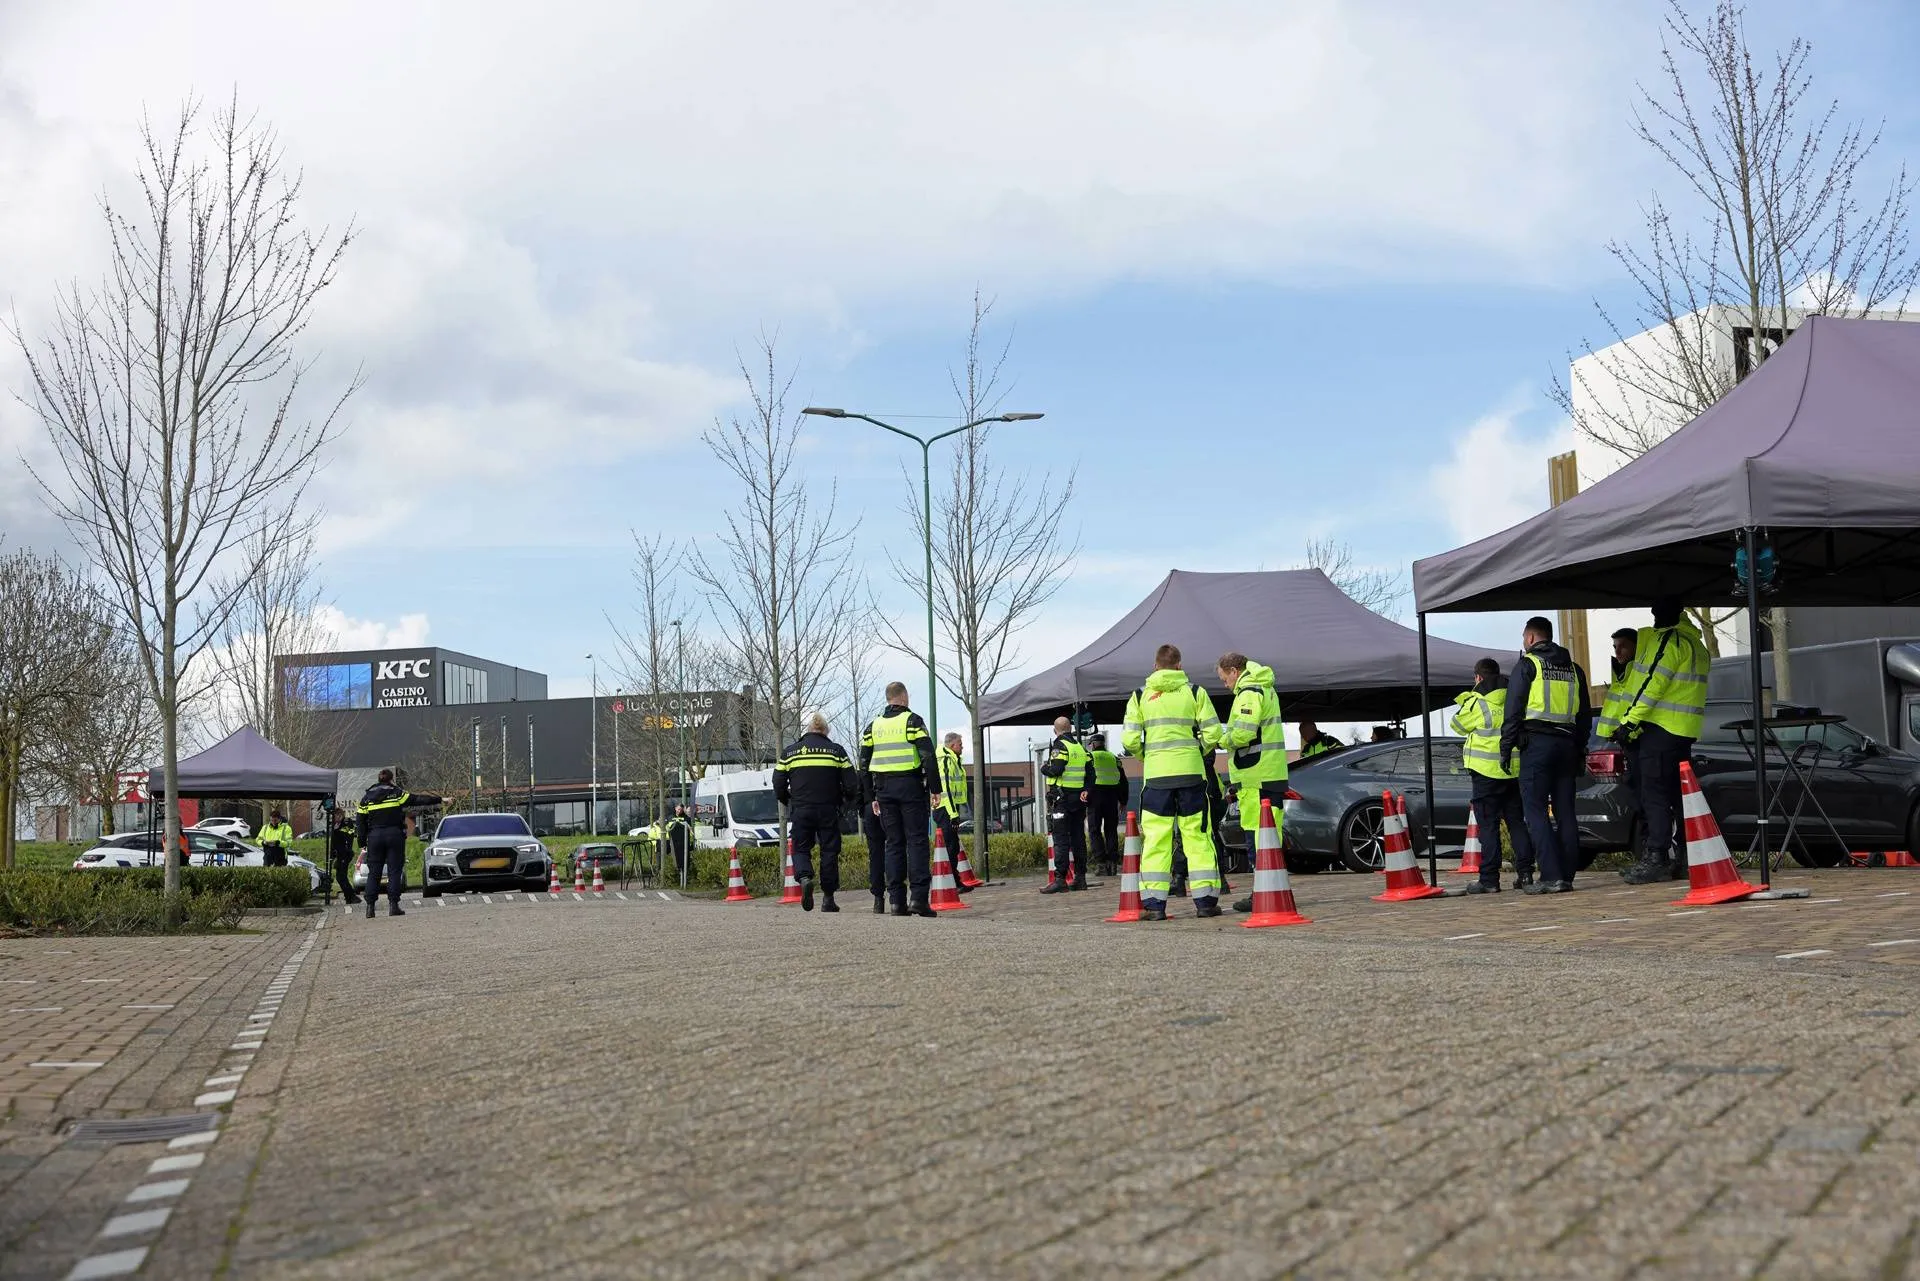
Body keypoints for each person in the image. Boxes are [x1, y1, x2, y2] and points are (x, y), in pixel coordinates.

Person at [1604, 599, 1711, 885]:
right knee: (1679, 798)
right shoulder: (1696, 644)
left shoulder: (1669, 639)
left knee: (1655, 796)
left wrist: (1630, 722)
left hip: (1661, 728)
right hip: (1684, 730)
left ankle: (1658, 858)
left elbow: (1652, 684)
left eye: (1656, 612)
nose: (1653, 618)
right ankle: (1688, 859)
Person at [1122, 644, 1222, 920]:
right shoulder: (1195, 692)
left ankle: (1155, 906)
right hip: (1191, 775)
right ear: (1179, 665)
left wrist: (1148, 755)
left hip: (1156, 778)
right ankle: (1205, 903)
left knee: (1156, 839)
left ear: (1155, 666)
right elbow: (1213, 732)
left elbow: (1129, 740)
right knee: (1197, 837)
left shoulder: (1139, 696)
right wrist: (1196, 750)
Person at [1500, 617, 1593, 895]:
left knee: (1536, 812)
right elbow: (1584, 715)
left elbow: (1513, 710)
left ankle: (1551, 876)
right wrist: (1579, 747)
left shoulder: (1528, 665)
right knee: (1566, 812)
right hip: (1567, 745)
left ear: (1530, 638)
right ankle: (1566, 875)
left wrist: (1506, 748)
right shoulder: (1575, 669)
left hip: (1537, 745)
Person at [1451, 658, 1534, 893]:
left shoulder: (1477, 702)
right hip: (1513, 770)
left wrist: (1468, 696)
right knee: (1517, 823)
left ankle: (1489, 880)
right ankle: (1526, 874)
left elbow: (1457, 725)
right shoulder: (1515, 697)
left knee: (1488, 826)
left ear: (1478, 678)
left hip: (1485, 773)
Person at [860, 681, 942, 917]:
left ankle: (896, 902)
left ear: (888, 699)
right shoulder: (912, 721)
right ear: (904, 697)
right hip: (910, 787)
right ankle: (918, 898)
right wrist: (935, 789)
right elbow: (928, 756)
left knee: (893, 844)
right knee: (916, 841)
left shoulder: (872, 727)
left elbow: (863, 765)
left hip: (883, 790)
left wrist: (870, 796)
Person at [1217, 653, 1288, 913]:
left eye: (1224, 679)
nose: (1225, 684)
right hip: (1269, 773)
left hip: (1256, 775)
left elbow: (1245, 733)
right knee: (1269, 836)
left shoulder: (1248, 692)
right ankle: (1272, 889)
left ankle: (1262, 893)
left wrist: (1221, 740)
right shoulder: (1265, 688)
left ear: (1234, 671)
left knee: (1258, 838)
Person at [773, 712, 860, 912]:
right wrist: (844, 803)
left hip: (801, 809)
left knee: (800, 847)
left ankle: (804, 877)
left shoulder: (790, 752)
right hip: (828, 809)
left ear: (808, 730)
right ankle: (828, 899)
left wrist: (787, 800)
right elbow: (851, 783)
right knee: (829, 851)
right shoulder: (836, 751)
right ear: (825, 731)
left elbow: (778, 781)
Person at [356, 769, 443, 918]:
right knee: (394, 871)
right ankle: (393, 905)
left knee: (374, 873)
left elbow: (360, 822)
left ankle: (370, 908)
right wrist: (440, 799)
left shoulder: (366, 798)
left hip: (375, 837)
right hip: (394, 835)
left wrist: (362, 841)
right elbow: (418, 799)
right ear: (391, 780)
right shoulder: (397, 794)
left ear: (378, 780)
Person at [1040, 716, 1092, 893]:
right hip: (1079, 800)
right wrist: (1087, 790)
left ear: (1056, 731)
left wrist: (1044, 768)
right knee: (1078, 839)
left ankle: (1060, 879)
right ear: (1070, 728)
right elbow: (1091, 773)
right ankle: (1081, 878)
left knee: (1061, 839)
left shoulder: (1059, 746)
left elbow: (1056, 769)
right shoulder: (1080, 747)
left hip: (1061, 800)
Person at [934, 732, 974, 892]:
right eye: (960, 744)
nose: (962, 746)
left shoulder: (953, 760)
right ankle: (952, 883)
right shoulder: (945, 760)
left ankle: (955, 881)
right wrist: (953, 815)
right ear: (952, 745)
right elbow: (946, 790)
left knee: (953, 846)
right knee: (951, 847)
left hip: (949, 808)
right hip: (945, 809)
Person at [1085, 732, 1125, 877]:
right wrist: (1123, 801)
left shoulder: (1089, 757)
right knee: (1111, 830)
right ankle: (1113, 864)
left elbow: (1085, 778)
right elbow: (1123, 780)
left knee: (1094, 830)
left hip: (1095, 797)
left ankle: (1101, 864)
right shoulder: (1114, 758)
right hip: (1111, 797)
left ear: (1093, 744)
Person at [328, 815, 361, 905]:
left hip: (344, 854)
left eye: (335, 816)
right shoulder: (337, 825)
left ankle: (351, 896)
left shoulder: (346, 823)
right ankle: (349, 896)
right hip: (340, 854)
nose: (334, 818)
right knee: (341, 877)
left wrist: (338, 829)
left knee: (341, 877)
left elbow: (347, 835)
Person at [665, 805, 692, 883]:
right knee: (675, 861)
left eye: (681, 809)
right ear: (675, 808)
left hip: (683, 842)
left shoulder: (686, 818)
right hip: (673, 842)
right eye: (678, 809)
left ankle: (684, 879)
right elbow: (667, 828)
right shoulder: (670, 818)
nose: (679, 810)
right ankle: (677, 879)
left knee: (684, 861)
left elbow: (689, 828)